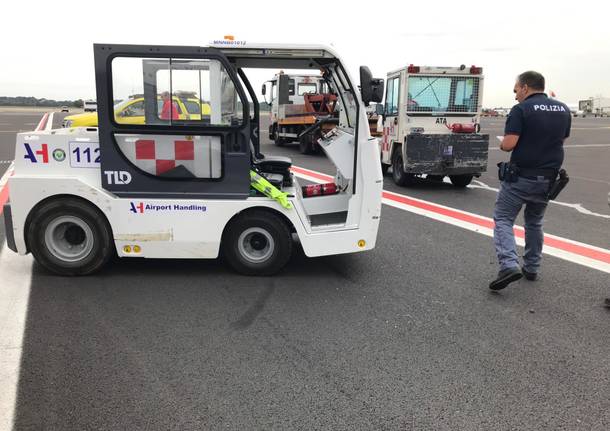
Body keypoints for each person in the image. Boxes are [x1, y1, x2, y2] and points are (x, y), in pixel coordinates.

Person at [489, 71, 571, 291]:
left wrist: (503, 143)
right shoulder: (563, 109)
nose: (515, 96)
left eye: (516, 90)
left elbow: (509, 144)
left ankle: (509, 264)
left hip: (521, 177)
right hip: (548, 179)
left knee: (503, 218)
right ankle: (532, 267)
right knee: (534, 222)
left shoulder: (521, 109)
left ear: (525, 87)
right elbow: (560, 139)